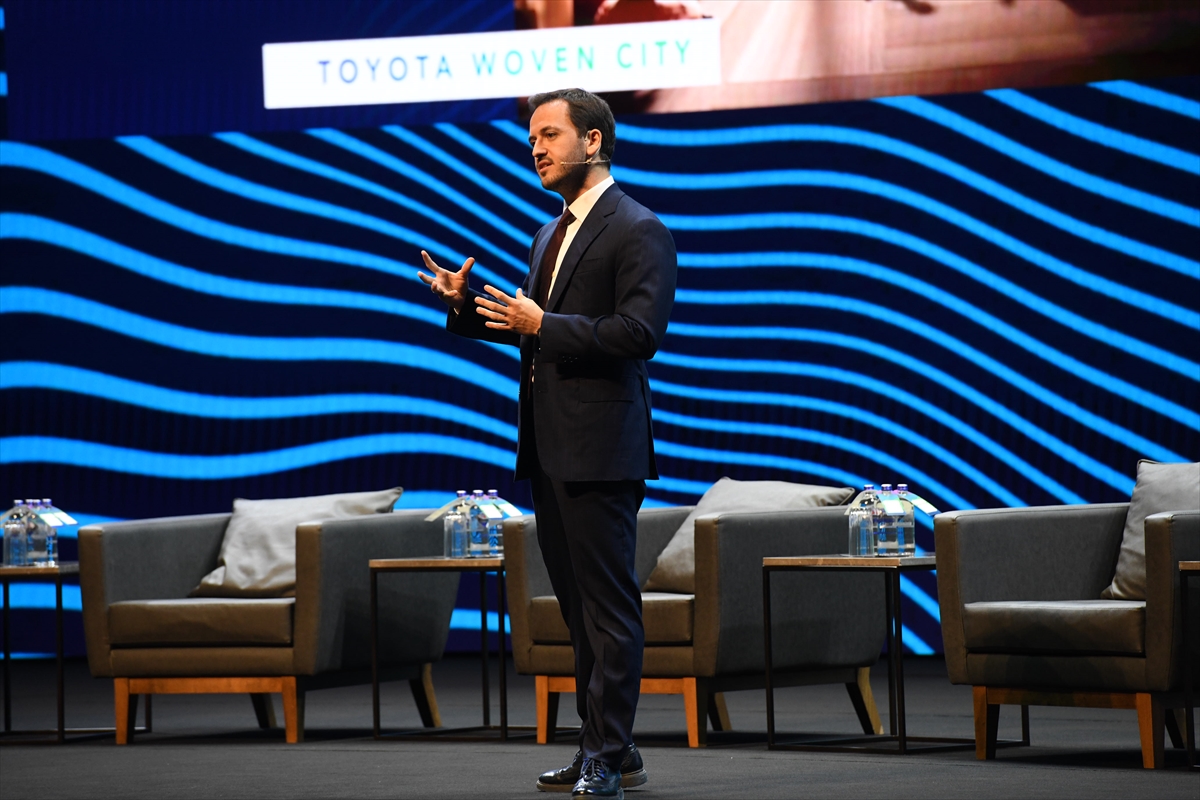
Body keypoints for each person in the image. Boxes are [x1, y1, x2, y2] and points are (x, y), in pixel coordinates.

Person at [418, 88, 676, 799]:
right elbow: (529, 326)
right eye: (532, 137)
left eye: (550, 134)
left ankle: (607, 755)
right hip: (550, 447)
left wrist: (543, 325)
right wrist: (465, 308)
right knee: (577, 611)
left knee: (608, 608)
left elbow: (639, 334)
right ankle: (608, 747)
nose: (536, 148)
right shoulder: (547, 234)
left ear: (593, 141)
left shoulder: (638, 228)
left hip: (603, 448)